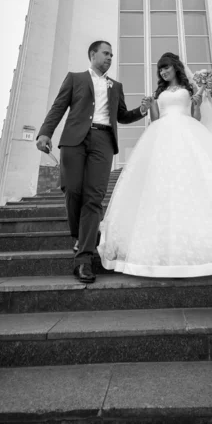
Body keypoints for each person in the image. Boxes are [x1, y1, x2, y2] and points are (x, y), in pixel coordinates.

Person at [97, 52, 212, 277]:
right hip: (161, 135)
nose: (164, 72)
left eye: (166, 68)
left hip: (188, 132)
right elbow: (155, 119)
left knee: (196, 180)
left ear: (176, 67)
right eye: (160, 70)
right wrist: (149, 105)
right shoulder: (160, 93)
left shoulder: (190, 90)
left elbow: (196, 117)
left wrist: (197, 104)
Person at [36, 41, 150, 283]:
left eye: (112, 55)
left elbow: (122, 116)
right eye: (106, 53)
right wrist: (45, 132)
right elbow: (58, 107)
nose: (110, 57)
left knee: (94, 197)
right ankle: (82, 234)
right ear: (92, 54)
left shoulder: (115, 86)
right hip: (74, 141)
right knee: (72, 189)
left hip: (103, 141)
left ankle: (84, 259)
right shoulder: (75, 78)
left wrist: (140, 110)